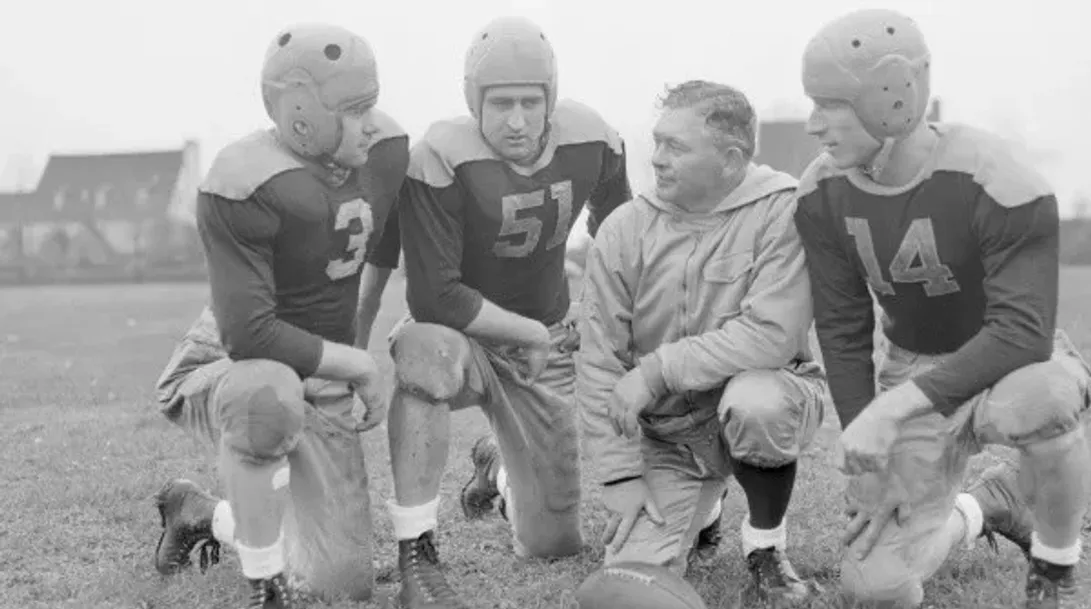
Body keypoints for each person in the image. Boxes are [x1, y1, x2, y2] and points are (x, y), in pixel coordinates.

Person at [792, 8, 1091, 608]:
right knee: (873, 591)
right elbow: (844, 328)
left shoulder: (993, 176)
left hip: (1007, 362)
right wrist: (865, 444)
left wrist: (892, 409)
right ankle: (987, 507)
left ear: (889, 98)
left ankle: (1055, 563)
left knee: (1044, 402)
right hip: (913, 365)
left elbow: (1024, 333)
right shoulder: (823, 191)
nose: (811, 124)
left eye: (828, 104)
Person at [149, 23, 409, 608]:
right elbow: (249, 332)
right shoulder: (244, 179)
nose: (372, 120)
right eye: (354, 108)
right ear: (300, 113)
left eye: (373, 103)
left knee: (339, 581)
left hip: (322, 353)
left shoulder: (386, 150)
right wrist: (358, 364)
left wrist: (353, 352)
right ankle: (264, 580)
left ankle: (201, 514)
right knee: (266, 395)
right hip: (236, 353)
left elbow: (375, 251)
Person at [381, 15, 631, 609]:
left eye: (528, 101)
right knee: (424, 349)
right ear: (474, 102)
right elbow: (433, 297)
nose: (516, 120)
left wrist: (592, 307)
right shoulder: (441, 154)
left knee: (552, 543)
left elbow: (624, 238)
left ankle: (494, 469)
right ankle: (416, 550)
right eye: (499, 104)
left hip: (543, 347)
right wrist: (529, 330)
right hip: (464, 338)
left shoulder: (591, 138)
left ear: (550, 98)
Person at [576, 79, 828, 605]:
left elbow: (771, 334)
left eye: (676, 146)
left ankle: (764, 546)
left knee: (755, 404)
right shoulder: (624, 229)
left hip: (766, 392)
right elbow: (599, 357)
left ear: (731, 159)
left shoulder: (783, 212)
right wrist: (621, 475)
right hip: (671, 435)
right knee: (631, 579)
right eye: (657, 141)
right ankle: (703, 508)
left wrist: (656, 371)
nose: (658, 159)